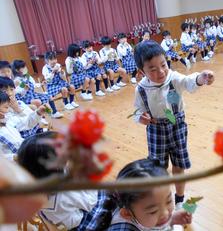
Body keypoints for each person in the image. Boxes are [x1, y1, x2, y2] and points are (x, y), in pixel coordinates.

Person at [133, 40, 215, 209]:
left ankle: (179, 198)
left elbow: (189, 82)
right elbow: (137, 110)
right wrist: (141, 117)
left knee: (178, 165)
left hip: (177, 126)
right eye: (152, 69)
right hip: (155, 130)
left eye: (163, 64)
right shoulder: (141, 89)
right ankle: (164, 199)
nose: (161, 71)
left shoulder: (173, 78)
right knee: (158, 169)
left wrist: (201, 77)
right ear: (142, 71)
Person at [17, 132, 99, 230]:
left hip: (49, 214)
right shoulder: (64, 193)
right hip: (75, 223)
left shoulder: (30, 180)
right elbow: (90, 203)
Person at [81, 159, 192, 231]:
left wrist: (172, 219)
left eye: (168, 201)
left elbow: (147, 222)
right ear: (127, 214)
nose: (165, 213)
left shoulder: (133, 204)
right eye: (153, 211)